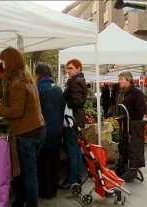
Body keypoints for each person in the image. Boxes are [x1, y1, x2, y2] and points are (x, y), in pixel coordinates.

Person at [0, 46, 45, 207]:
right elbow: (12, 102)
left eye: (4, 60)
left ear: (10, 61)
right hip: (38, 130)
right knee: (28, 172)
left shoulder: (17, 82)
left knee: (29, 174)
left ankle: (31, 204)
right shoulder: (25, 76)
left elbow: (15, 111)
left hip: (27, 133)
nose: (2, 64)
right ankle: (20, 201)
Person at [35, 62, 66, 199]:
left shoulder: (37, 89)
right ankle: (53, 189)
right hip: (58, 131)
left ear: (38, 75)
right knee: (55, 161)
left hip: (43, 131)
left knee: (44, 163)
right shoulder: (58, 89)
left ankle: (46, 192)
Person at [58, 59, 87, 189]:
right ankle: (77, 178)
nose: (68, 71)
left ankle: (72, 179)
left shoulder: (76, 81)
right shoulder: (77, 80)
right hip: (75, 119)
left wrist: (65, 102)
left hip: (72, 120)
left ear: (78, 68)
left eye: (70, 68)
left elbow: (77, 101)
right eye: (67, 68)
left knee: (72, 150)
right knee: (75, 150)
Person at [113, 71, 146, 173]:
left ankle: (132, 166)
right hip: (122, 123)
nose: (119, 82)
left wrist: (132, 121)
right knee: (122, 144)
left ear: (128, 80)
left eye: (121, 79)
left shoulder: (137, 93)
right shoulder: (119, 93)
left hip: (132, 124)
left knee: (133, 146)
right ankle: (123, 163)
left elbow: (141, 110)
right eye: (119, 79)